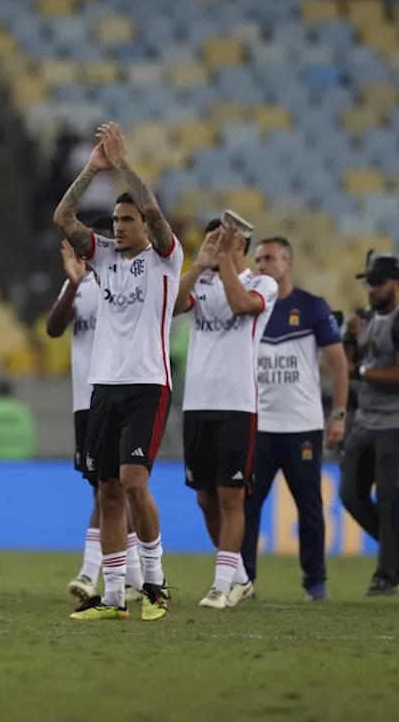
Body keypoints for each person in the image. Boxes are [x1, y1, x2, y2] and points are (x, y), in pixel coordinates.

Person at [53, 123, 180, 622]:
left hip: (148, 384)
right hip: (102, 386)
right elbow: (63, 216)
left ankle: (155, 583)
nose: (120, 227)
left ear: (146, 227)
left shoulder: (166, 261)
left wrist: (123, 164)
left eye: (128, 220)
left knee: (132, 483)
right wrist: (93, 169)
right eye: (116, 220)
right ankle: (112, 596)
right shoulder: (102, 258)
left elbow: (152, 208)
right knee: (106, 489)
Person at [175, 221, 278, 609]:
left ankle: (221, 585)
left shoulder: (262, 282)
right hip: (198, 403)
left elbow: (241, 305)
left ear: (243, 243)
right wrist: (199, 265)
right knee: (205, 498)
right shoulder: (203, 281)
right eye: (213, 237)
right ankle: (239, 577)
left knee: (231, 496)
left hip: (237, 404)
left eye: (225, 238)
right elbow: (170, 308)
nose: (217, 244)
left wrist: (225, 265)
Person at [245, 236, 348, 601]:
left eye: (269, 258)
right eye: (257, 260)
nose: (261, 266)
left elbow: (338, 362)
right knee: (248, 504)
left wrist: (338, 414)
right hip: (259, 424)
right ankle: (245, 581)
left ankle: (315, 582)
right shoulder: (250, 305)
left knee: (309, 507)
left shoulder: (312, 307)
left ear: (287, 263)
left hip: (302, 425)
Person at [45, 229, 145, 606]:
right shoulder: (81, 284)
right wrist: (72, 285)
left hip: (124, 395)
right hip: (85, 402)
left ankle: (91, 571)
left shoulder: (133, 283)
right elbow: (53, 329)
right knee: (105, 491)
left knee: (114, 490)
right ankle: (136, 578)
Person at [338, 254, 399, 595]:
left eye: (378, 283)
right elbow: (349, 364)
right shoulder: (365, 319)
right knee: (350, 493)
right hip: (368, 420)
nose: (371, 289)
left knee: (390, 496)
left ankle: (387, 574)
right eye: (369, 283)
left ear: (398, 282)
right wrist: (349, 339)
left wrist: (360, 372)